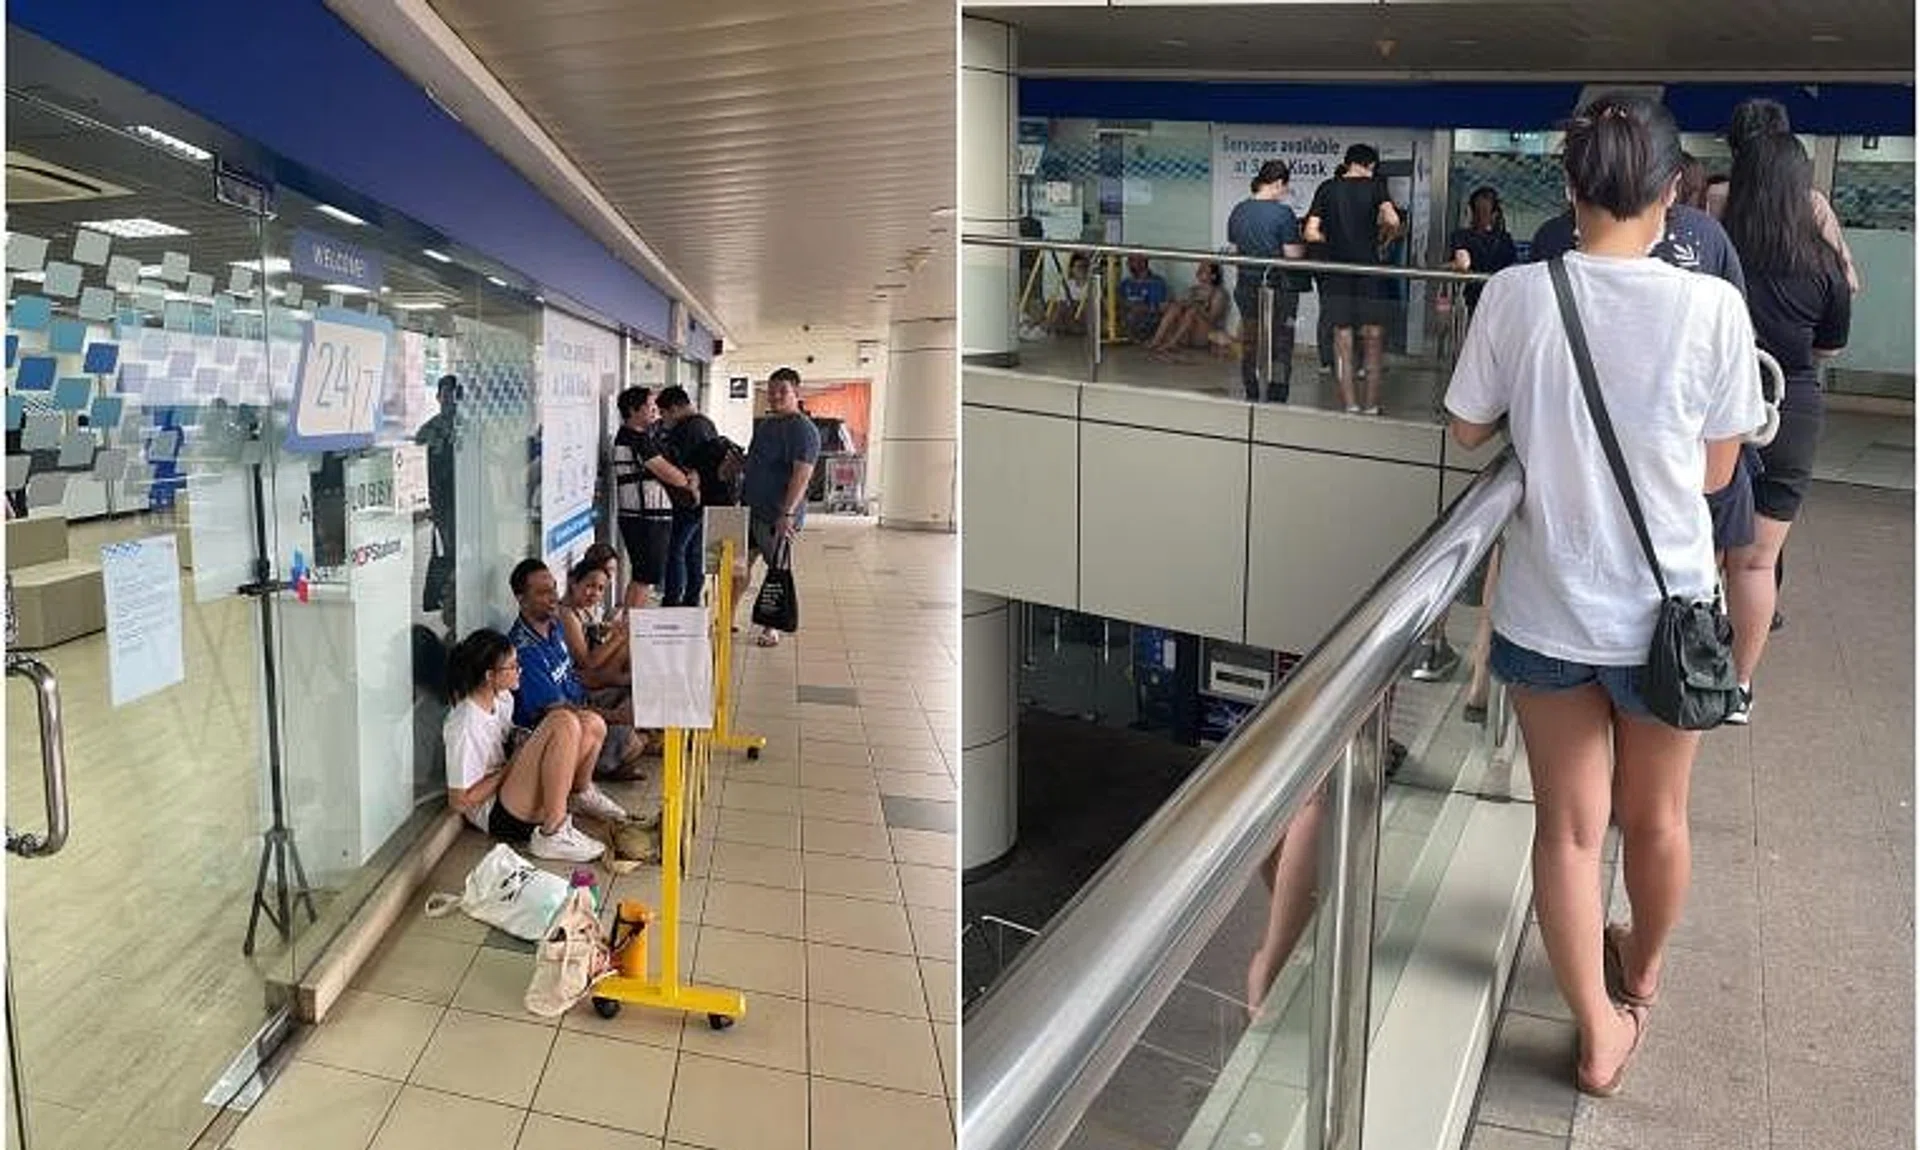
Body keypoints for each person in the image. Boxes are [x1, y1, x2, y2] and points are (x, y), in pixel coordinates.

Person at [1444, 92, 1764, 1097]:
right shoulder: (1710, 305)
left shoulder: (1516, 293)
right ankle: (1644, 967)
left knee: (1570, 829)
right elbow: (1718, 476)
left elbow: (1465, 428)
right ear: (1674, 190)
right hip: (1669, 613)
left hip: (1549, 611)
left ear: (1569, 185)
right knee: (1658, 820)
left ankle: (1595, 1034)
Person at [1719, 132, 1851, 725]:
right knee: (1755, 561)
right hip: (1789, 410)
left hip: (1717, 408)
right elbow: (1829, 346)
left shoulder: (1719, 252)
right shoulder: (1822, 263)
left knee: (1701, 548)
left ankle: (1682, 661)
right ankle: (1738, 687)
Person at [442, 628, 619, 862]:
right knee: (562, 721)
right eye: (513, 666)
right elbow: (459, 802)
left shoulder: (502, 697)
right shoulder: (465, 723)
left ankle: (579, 794)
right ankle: (552, 833)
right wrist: (511, 767)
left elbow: (505, 740)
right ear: (489, 676)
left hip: (512, 787)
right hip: (498, 812)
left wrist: (521, 742)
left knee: (591, 723)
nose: (519, 670)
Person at [508, 557, 648, 781]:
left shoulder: (553, 627)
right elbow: (559, 712)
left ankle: (612, 757)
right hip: (564, 730)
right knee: (632, 740)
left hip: (584, 702)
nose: (553, 597)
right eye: (543, 592)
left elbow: (577, 676)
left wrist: (617, 682)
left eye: (554, 588)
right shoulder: (524, 652)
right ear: (521, 599)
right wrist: (616, 717)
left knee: (641, 698)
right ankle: (589, 769)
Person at [1708, 98, 1861, 295]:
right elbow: (1848, 283)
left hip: (1727, 318)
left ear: (1735, 151)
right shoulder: (1811, 203)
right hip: (1797, 320)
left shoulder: (1713, 197)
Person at [1305, 145, 1401, 414]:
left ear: (1347, 163)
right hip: (1369, 271)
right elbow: (1393, 220)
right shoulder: (1376, 186)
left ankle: (1350, 404)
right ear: (1369, 164)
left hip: (1337, 273)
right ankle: (1371, 405)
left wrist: (1332, 239)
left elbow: (1310, 233)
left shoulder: (1327, 188)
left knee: (1343, 340)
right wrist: (1383, 236)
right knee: (1372, 338)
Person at [741, 368, 821, 648]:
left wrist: (787, 513)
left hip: (777, 514)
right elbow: (755, 460)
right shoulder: (767, 425)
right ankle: (726, 618)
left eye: (782, 391)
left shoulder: (803, 430)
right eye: (772, 390)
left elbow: (803, 473)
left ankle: (771, 627)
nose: (775, 396)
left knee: (777, 569)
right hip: (751, 509)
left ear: (796, 393)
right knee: (741, 566)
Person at [1226, 160, 1307, 402]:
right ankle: (1277, 393)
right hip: (1279, 288)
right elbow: (1292, 255)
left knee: (1250, 340)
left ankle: (1251, 390)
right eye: (1286, 187)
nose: (1285, 193)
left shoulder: (1238, 210)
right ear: (1278, 183)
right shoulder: (1283, 213)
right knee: (1281, 345)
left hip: (1246, 284)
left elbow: (1235, 249)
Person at [611, 386, 697, 608]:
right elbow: (671, 475)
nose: (655, 411)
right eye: (649, 407)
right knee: (645, 577)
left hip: (646, 517)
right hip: (644, 518)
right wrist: (688, 480)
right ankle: (631, 632)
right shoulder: (636, 440)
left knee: (643, 577)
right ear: (633, 410)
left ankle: (629, 630)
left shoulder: (639, 438)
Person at [657, 385, 717, 607]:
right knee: (693, 551)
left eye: (663, 413)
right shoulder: (706, 423)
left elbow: (676, 467)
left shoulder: (686, 430)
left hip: (689, 500)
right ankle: (691, 599)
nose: (663, 419)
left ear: (674, 409)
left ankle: (672, 600)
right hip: (705, 500)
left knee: (676, 551)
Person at [559, 555, 630, 689]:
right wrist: (618, 637)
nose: (595, 593)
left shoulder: (583, 607)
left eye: (600, 588)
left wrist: (608, 630)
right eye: (590, 586)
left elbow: (592, 632)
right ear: (573, 583)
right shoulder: (566, 614)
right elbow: (587, 663)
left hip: (594, 671)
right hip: (582, 678)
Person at [1448, 186, 1519, 310]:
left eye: (1483, 211)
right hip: (1495, 297)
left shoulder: (1462, 237)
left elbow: (1462, 263)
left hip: (1479, 297)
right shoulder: (1504, 239)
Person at [1145, 261, 1229, 357]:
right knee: (1175, 307)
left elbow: (1212, 319)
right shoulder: (1193, 290)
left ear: (1213, 276)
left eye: (1204, 269)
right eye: (1200, 268)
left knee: (1192, 311)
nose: (1199, 271)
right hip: (1187, 333)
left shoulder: (1219, 294)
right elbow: (1181, 305)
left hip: (1203, 336)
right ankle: (1156, 340)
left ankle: (1172, 343)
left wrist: (1198, 307)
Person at [1118, 255, 1170, 343]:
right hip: (1126, 318)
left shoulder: (1156, 282)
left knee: (1135, 314)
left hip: (1147, 321)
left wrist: (1139, 307)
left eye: (1132, 261)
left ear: (1143, 263)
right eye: (1128, 261)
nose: (1129, 264)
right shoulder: (1125, 283)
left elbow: (1158, 308)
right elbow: (1119, 302)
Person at [1046, 252, 1092, 336]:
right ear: (1072, 269)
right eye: (1078, 267)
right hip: (1070, 318)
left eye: (1084, 267)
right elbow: (1061, 304)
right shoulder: (1067, 285)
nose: (1081, 270)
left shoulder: (1092, 286)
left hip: (1086, 319)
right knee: (1058, 305)